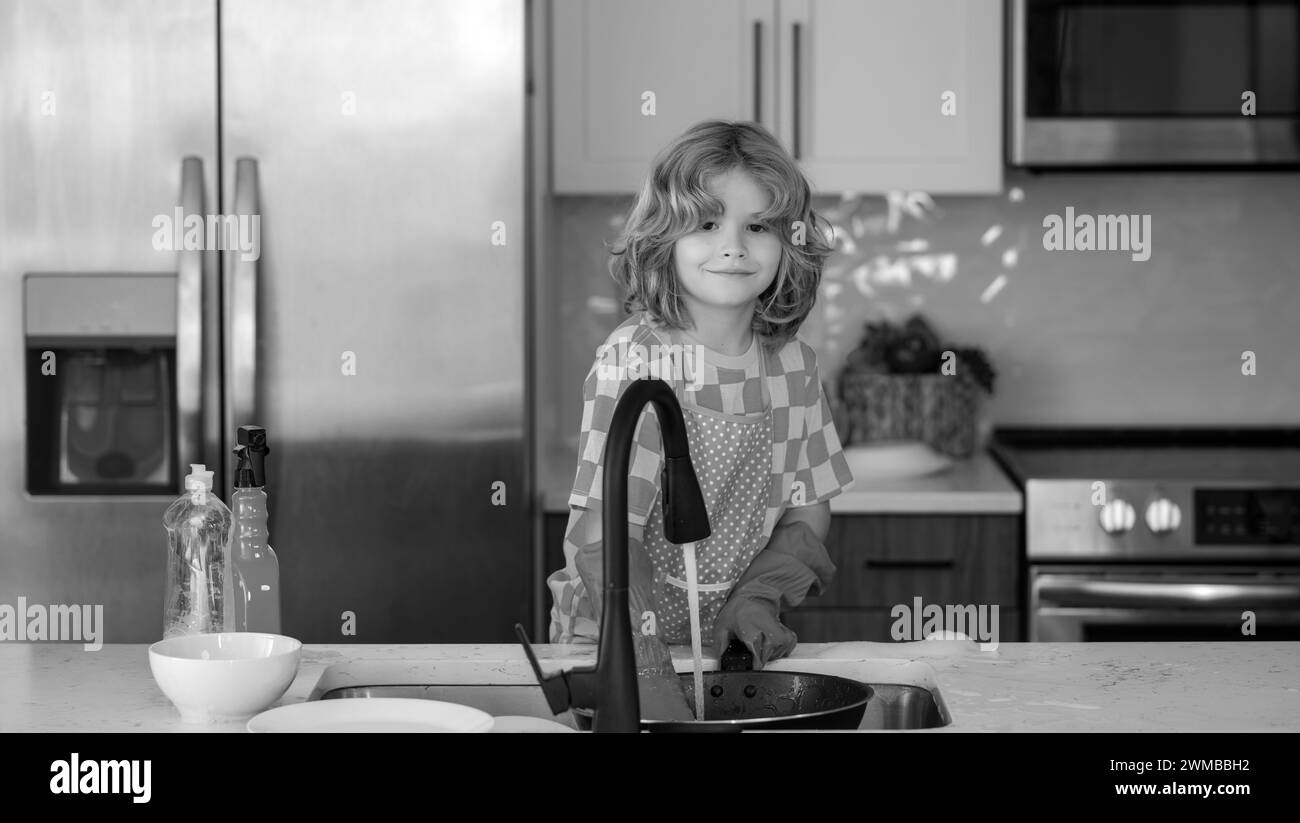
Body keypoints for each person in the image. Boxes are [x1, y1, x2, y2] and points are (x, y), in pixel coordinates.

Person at [546, 120, 855, 719]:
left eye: (758, 226)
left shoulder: (792, 364)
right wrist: (641, 664)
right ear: (664, 239)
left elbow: (809, 503)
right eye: (707, 224)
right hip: (610, 646)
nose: (734, 246)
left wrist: (759, 597)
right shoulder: (633, 362)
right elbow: (605, 534)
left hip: (726, 652)